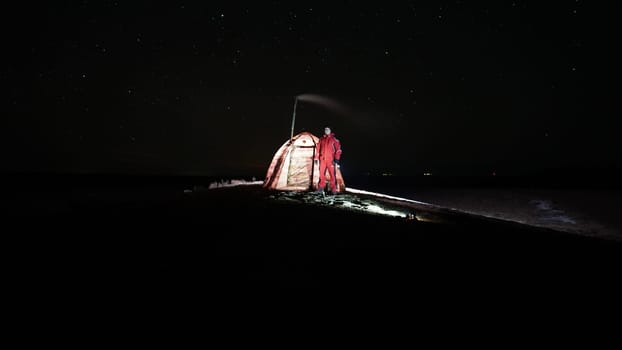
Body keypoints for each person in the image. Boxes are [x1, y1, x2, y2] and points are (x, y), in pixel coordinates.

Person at [314, 126, 342, 194]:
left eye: (328, 129)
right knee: (321, 174)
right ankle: (321, 188)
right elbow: (318, 149)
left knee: (332, 175)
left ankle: (333, 190)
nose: (326, 131)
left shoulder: (334, 140)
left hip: (331, 160)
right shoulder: (321, 139)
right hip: (322, 159)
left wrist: (337, 159)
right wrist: (316, 158)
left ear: (330, 131)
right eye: (325, 130)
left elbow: (338, 150)